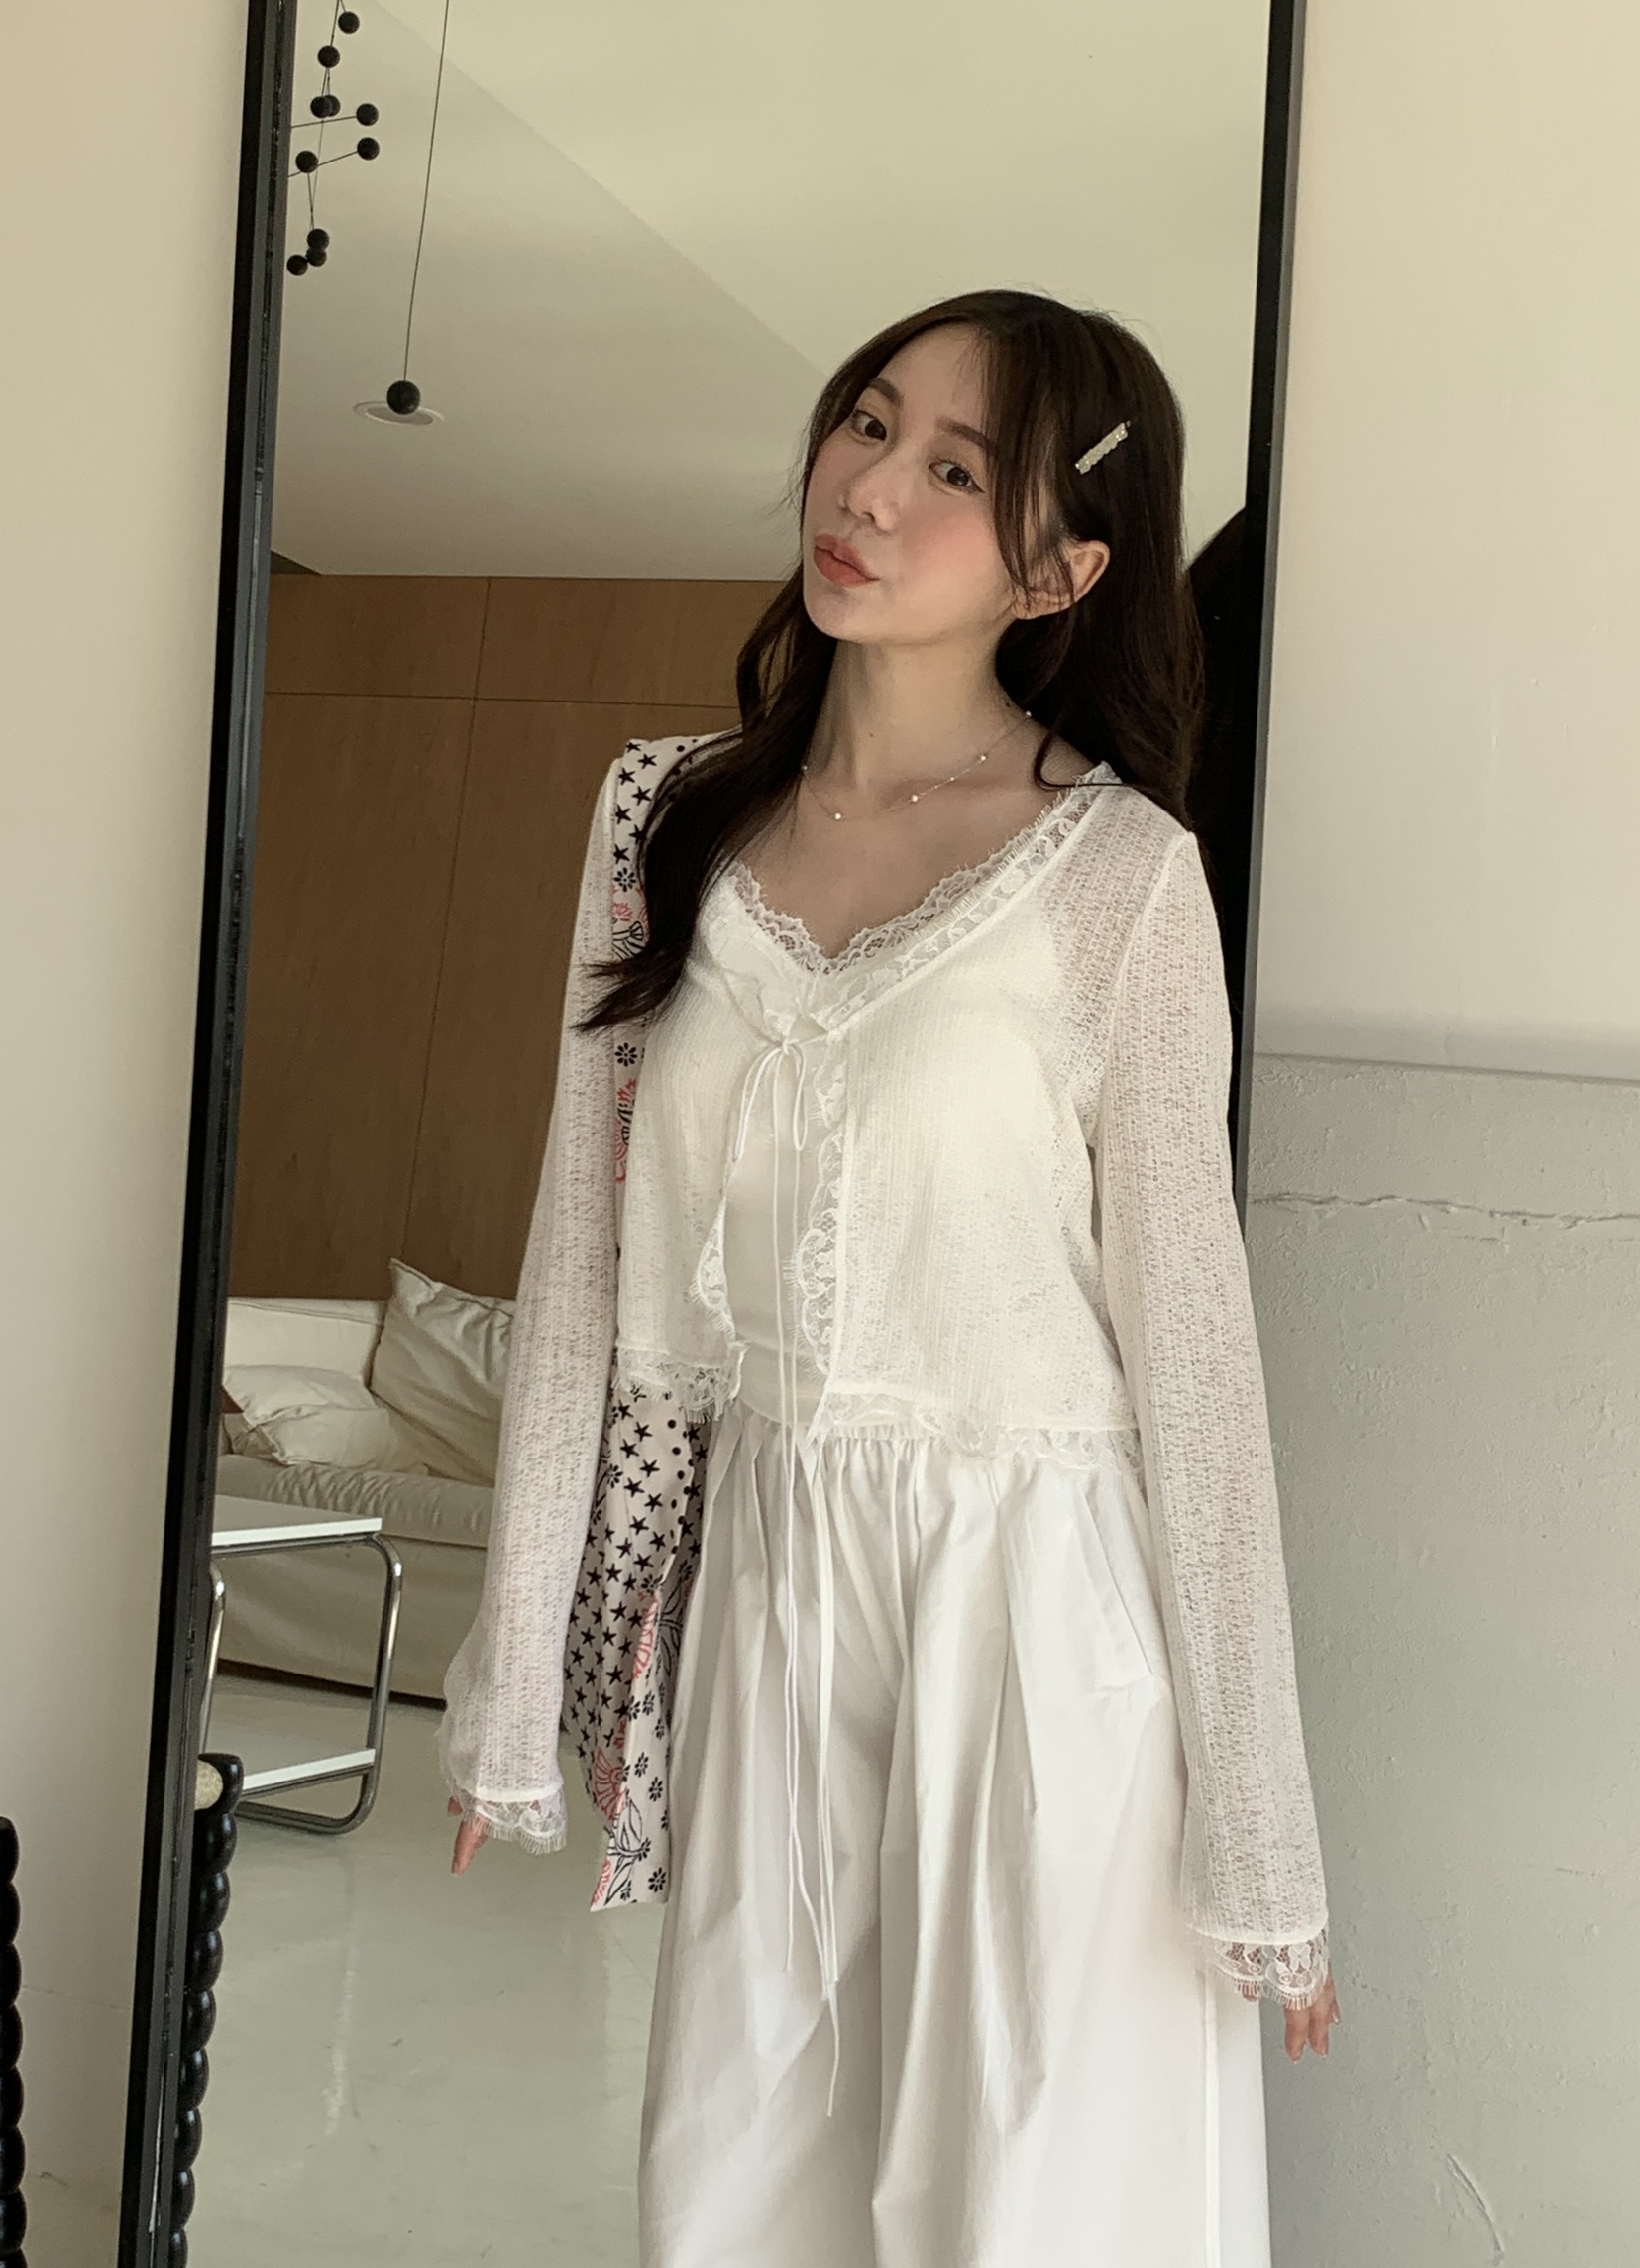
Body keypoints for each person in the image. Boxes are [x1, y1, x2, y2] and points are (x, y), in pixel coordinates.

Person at [440, 287, 1337, 2267]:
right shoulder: (666, 817)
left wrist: (1261, 1835)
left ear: (1060, 570)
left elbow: (1196, 1371)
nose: (867, 489)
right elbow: (578, 1269)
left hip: (1036, 1615)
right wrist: (511, 1678)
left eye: (953, 470)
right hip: (770, 1582)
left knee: (1029, 2201)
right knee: (745, 2184)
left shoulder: (1122, 877)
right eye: (865, 423)